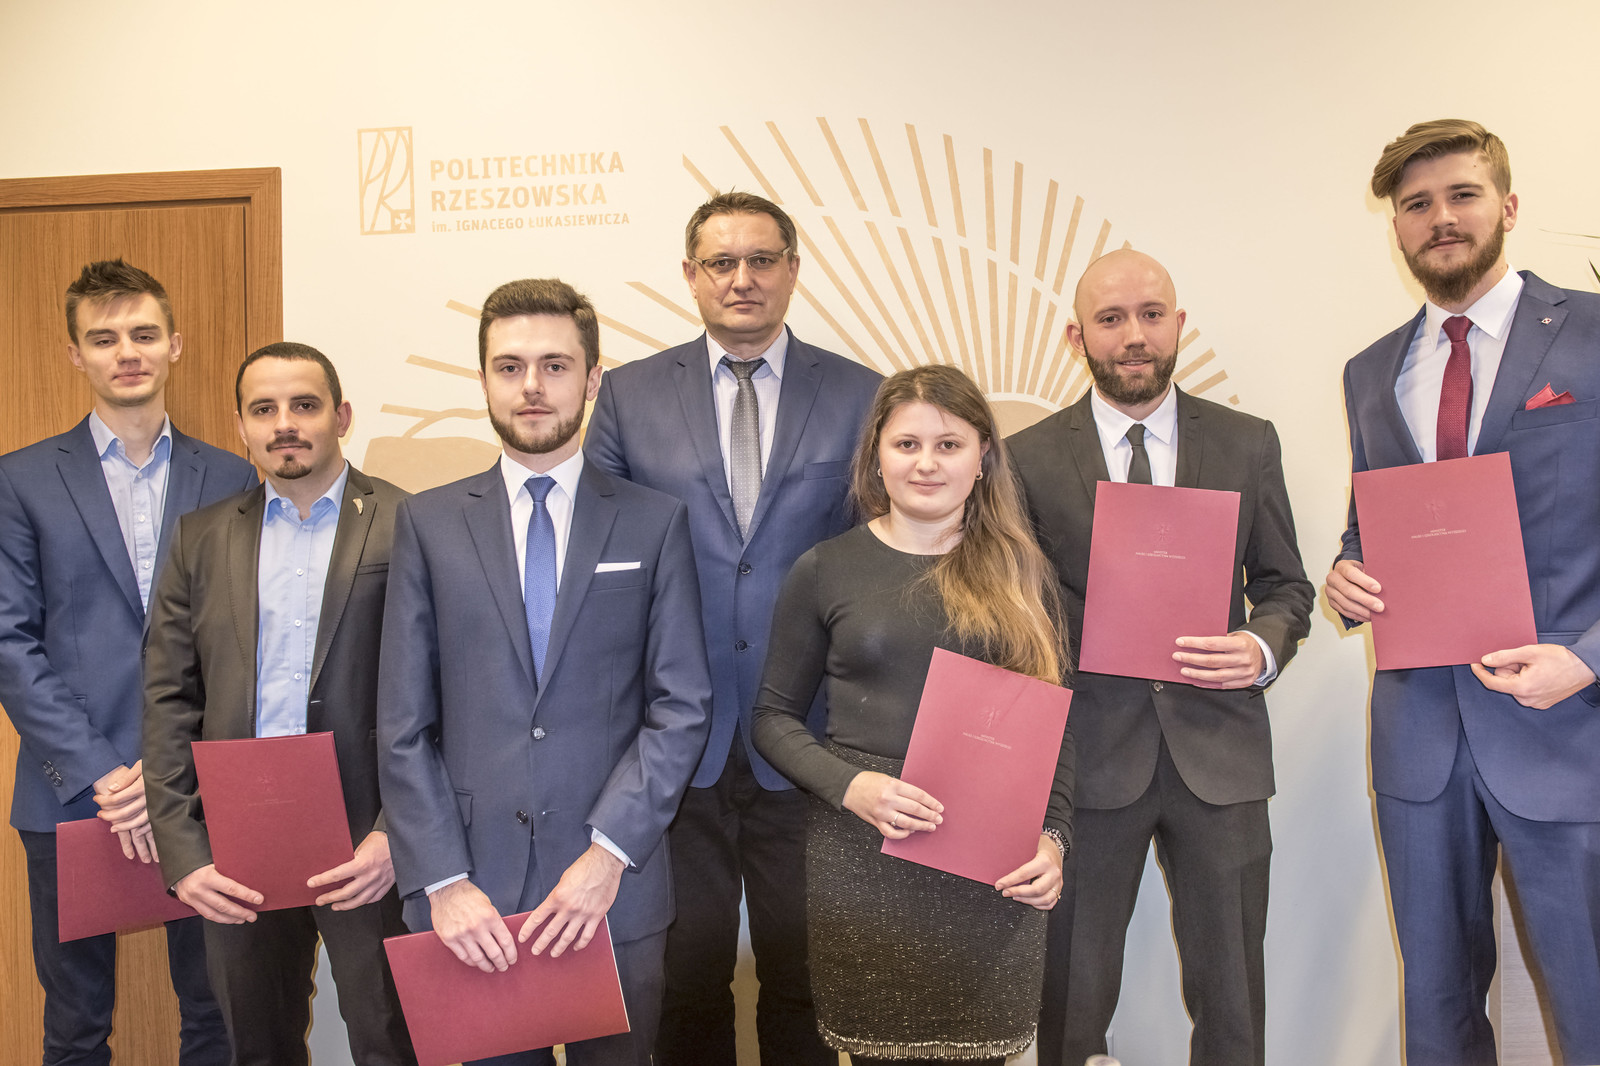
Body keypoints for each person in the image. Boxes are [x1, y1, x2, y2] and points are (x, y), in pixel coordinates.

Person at [377, 277, 712, 1066]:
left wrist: (608, 855)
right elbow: (401, 726)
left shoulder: (654, 521)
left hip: (612, 892)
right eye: (510, 366)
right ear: (483, 380)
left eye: (555, 366)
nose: (532, 386)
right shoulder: (426, 522)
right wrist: (442, 880)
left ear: (592, 380)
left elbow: (682, 707)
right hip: (472, 904)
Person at [1325, 119, 1600, 1066]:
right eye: (1417, 204)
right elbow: (1372, 523)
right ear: (1397, 227)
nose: (1440, 218)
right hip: (1419, 737)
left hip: (1566, 726)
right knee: (1437, 1009)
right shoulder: (1371, 372)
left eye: (1462, 195)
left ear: (1508, 207)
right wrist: (1346, 573)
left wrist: (1588, 660)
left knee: (1592, 1002)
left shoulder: (1594, 334)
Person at [584, 189, 880, 1066]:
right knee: (683, 982)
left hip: (812, 737)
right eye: (721, 262)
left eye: (761, 260)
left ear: (793, 270)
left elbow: (881, 559)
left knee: (806, 982)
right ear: (691, 274)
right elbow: (600, 561)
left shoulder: (861, 394)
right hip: (674, 742)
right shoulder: (627, 396)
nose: (741, 279)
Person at [1008, 249, 1313, 1066]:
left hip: (1221, 758)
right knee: (1071, 999)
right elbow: (1013, 614)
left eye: (1150, 315)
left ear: (1178, 324)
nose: (1134, 336)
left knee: (1233, 1000)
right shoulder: (1026, 458)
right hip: (1085, 765)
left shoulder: (1247, 443)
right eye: (1110, 319)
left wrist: (1259, 647)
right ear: (1076, 336)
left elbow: (1286, 586)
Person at [750, 363, 1071, 1064]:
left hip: (992, 872)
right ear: (876, 456)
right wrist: (851, 787)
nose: (927, 463)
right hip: (862, 859)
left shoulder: (1024, 573)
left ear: (983, 458)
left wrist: (1053, 840)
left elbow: (1057, 729)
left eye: (949, 445)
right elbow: (771, 720)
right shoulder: (824, 569)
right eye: (907, 444)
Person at [0, 259, 252, 1066]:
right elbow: (9, 641)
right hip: (74, 794)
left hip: (200, 794)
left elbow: (240, 643)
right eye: (104, 338)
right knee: (76, 1025)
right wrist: (105, 773)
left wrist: (170, 768)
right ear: (76, 355)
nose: (127, 352)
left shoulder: (233, 476)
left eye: (144, 333)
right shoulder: (21, 479)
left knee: (218, 1014)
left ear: (175, 344)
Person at [141, 342, 415, 1066]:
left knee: (390, 1042)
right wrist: (185, 853)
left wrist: (397, 833)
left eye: (304, 405)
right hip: (239, 839)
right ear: (241, 426)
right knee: (256, 1047)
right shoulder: (199, 538)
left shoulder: (410, 522)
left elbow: (445, 693)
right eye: (263, 409)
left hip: (368, 836)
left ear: (341, 416)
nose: (284, 423)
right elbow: (170, 700)